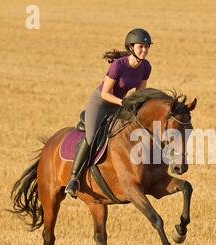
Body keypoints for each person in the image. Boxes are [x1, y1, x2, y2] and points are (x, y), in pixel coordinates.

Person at [65, 28, 152, 197]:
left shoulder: (146, 67)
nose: (145, 50)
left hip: (120, 103)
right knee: (91, 138)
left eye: (147, 47)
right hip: (101, 102)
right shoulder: (118, 65)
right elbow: (105, 93)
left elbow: (140, 93)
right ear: (131, 47)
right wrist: (122, 102)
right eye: (141, 46)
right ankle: (74, 178)